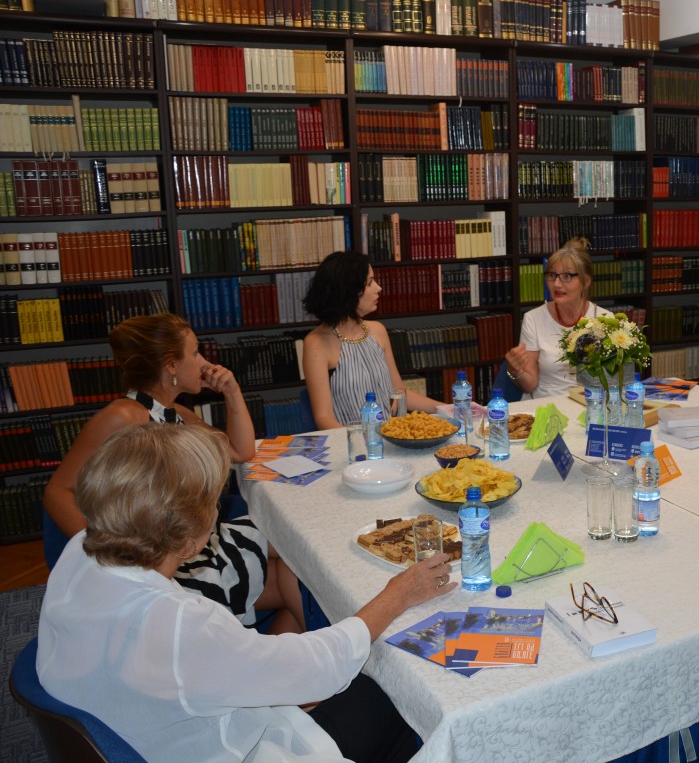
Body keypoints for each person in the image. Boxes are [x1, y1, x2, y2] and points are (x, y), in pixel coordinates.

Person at [38, 423, 456, 762]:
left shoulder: (81, 550)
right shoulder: (180, 624)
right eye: (213, 503)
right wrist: (398, 594)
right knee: (400, 694)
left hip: (143, 720)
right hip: (225, 749)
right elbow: (316, 669)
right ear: (190, 538)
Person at [43, 313, 305, 634]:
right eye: (195, 353)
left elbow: (241, 451)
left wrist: (232, 392)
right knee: (297, 578)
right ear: (170, 365)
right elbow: (57, 492)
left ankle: (284, 654)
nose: (204, 362)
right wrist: (112, 560)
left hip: (196, 541)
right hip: (168, 560)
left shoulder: (173, 412)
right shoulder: (124, 415)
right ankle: (280, 656)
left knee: (297, 553)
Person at [302, 251, 440, 430]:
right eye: (369, 283)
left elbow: (399, 394)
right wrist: (358, 441)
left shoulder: (378, 330)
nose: (378, 288)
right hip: (351, 440)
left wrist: (447, 408)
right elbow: (323, 418)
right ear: (347, 291)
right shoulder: (316, 343)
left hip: (391, 435)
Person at [504, 237, 614, 399]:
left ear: (586, 281)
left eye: (567, 276)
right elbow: (530, 385)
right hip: (545, 404)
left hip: (590, 403)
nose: (556, 284)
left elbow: (612, 381)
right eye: (552, 275)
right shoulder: (533, 319)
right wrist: (515, 370)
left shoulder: (606, 319)